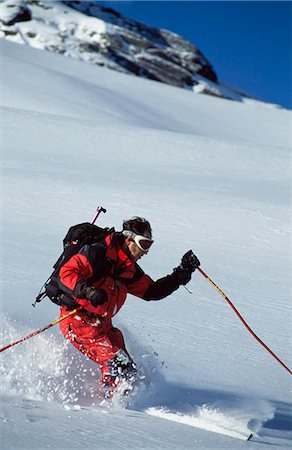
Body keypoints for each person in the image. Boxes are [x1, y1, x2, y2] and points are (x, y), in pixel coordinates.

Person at [58, 216, 200, 398]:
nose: (146, 251)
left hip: (102, 325)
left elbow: (151, 291)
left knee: (129, 371)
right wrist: (88, 292)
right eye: (144, 244)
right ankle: (112, 410)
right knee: (119, 366)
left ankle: (118, 404)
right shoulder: (98, 254)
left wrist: (181, 273)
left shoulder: (127, 268)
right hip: (78, 321)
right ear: (129, 238)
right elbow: (67, 273)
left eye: (150, 245)